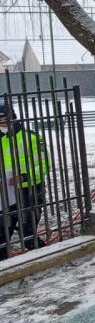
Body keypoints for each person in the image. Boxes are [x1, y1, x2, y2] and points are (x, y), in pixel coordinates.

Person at [0, 101, 49, 260]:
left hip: (29, 191)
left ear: (12, 117)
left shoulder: (31, 138)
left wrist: (23, 177)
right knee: (2, 236)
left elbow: (44, 165)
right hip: (5, 195)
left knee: (27, 233)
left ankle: (45, 258)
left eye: (4, 120)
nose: (2, 124)